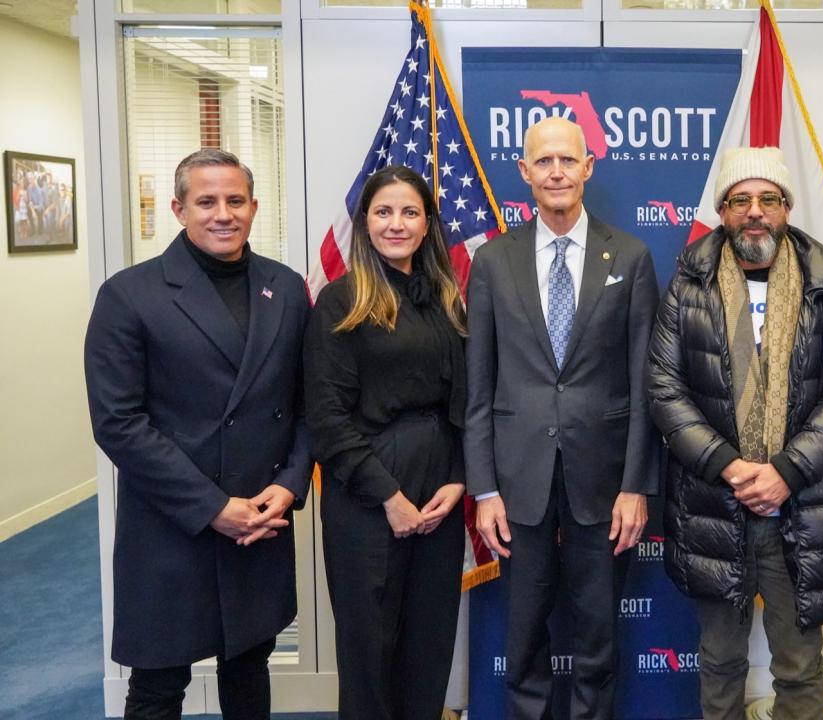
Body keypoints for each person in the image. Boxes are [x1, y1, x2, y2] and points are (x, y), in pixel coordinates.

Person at [84, 148, 311, 719]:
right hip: (172, 522)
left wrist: (290, 483)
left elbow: (310, 403)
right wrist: (211, 506)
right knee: (159, 685)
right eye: (206, 201)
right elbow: (118, 423)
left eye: (235, 200)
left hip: (259, 517)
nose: (222, 213)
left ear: (255, 207)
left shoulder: (285, 288)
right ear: (178, 209)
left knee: (248, 670)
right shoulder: (128, 294)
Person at [648, 146, 823, 719]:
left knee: (798, 663)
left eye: (767, 199)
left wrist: (786, 472)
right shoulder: (687, 285)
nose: (754, 211)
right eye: (740, 200)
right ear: (723, 212)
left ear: (786, 208)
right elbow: (665, 390)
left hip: (802, 503)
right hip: (712, 502)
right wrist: (728, 464)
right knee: (720, 658)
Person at [465, 116, 659, 720]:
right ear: (523, 172)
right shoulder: (493, 261)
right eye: (543, 161)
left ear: (587, 167)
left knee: (597, 638)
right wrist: (484, 489)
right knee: (523, 636)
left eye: (567, 160)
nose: (556, 172)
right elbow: (478, 387)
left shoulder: (629, 255)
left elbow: (643, 384)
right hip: (517, 483)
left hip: (602, 483)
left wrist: (635, 485)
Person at [305, 165, 467, 719]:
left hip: (439, 496)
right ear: (365, 222)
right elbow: (326, 419)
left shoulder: (447, 300)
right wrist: (389, 499)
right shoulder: (341, 302)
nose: (396, 224)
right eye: (383, 211)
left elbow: (467, 404)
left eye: (409, 212)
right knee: (371, 653)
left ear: (427, 225)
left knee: (428, 648)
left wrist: (459, 480)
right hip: (367, 499)